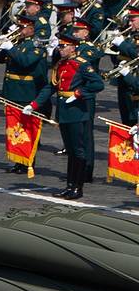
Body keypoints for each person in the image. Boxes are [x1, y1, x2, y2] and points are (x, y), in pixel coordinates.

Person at [38, 34, 106, 198]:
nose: (60, 49)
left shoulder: (81, 64)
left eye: (63, 46)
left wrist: (79, 93)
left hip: (77, 112)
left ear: (73, 48)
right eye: (59, 46)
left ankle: (78, 187)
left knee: (78, 150)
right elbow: (52, 87)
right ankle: (70, 185)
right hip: (64, 112)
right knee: (71, 150)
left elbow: (98, 84)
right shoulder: (60, 64)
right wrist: (34, 104)